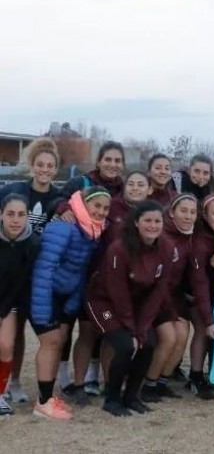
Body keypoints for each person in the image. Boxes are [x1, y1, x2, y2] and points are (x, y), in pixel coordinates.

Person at [62, 172, 152, 406]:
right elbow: (80, 202)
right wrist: (63, 207)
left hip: (127, 285)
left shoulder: (152, 214)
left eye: (140, 184)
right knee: (88, 332)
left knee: (112, 338)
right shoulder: (111, 206)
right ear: (124, 187)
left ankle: (107, 382)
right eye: (130, 183)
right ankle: (79, 384)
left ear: (149, 189)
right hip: (96, 279)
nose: (135, 187)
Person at [29, 187, 110, 420]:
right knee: (52, 342)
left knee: (59, 342)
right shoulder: (63, 228)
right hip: (47, 293)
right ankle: (43, 403)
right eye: (96, 206)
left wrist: (72, 302)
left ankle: (47, 397)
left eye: (106, 208)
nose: (101, 212)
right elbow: (43, 269)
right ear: (84, 205)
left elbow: (81, 271)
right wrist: (42, 310)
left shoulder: (92, 232)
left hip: (66, 295)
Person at [86, 200, 170, 416]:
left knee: (148, 343)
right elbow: (117, 292)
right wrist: (132, 331)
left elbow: (158, 292)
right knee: (125, 345)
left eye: (157, 221)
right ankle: (112, 398)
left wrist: (142, 329)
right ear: (136, 223)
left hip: (136, 305)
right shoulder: (119, 248)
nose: (153, 225)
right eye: (147, 221)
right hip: (103, 302)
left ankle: (132, 396)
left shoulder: (166, 247)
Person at [0, 138, 61, 405]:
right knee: (8, 335)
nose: (45, 170)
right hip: (11, 266)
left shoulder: (59, 199)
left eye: (50, 166)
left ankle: (14, 382)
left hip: (37, 275)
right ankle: (7, 383)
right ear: (32, 165)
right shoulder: (15, 190)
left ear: (56, 169)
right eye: (40, 164)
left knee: (26, 331)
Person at [141, 194, 205, 403]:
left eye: (192, 212)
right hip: (155, 297)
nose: (188, 216)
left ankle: (162, 381)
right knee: (169, 337)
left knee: (182, 335)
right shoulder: (162, 235)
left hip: (174, 298)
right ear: (172, 212)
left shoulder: (191, 236)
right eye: (183, 211)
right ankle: (148, 384)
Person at [0, 194, 41, 416]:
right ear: (1, 215)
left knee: (6, 345)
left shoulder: (33, 243)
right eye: (10, 214)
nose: (15, 220)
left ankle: (1, 393)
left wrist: (3, 309)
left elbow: (21, 283)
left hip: (11, 302)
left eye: (21, 215)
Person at [186, 194, 214, 400]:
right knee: (203, 328)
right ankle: (195, 375)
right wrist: (209, 320)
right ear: (205, 215)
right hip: (193, 296)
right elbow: (199, 285)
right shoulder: (199, 243)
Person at [55, 141, 125, 221]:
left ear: (123, 165)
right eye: (108, 160)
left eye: (117, 161)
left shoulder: (125, 192)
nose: (113, 165)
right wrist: (64, 209)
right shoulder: (79, 183)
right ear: (98, 162)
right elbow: (56, 199)